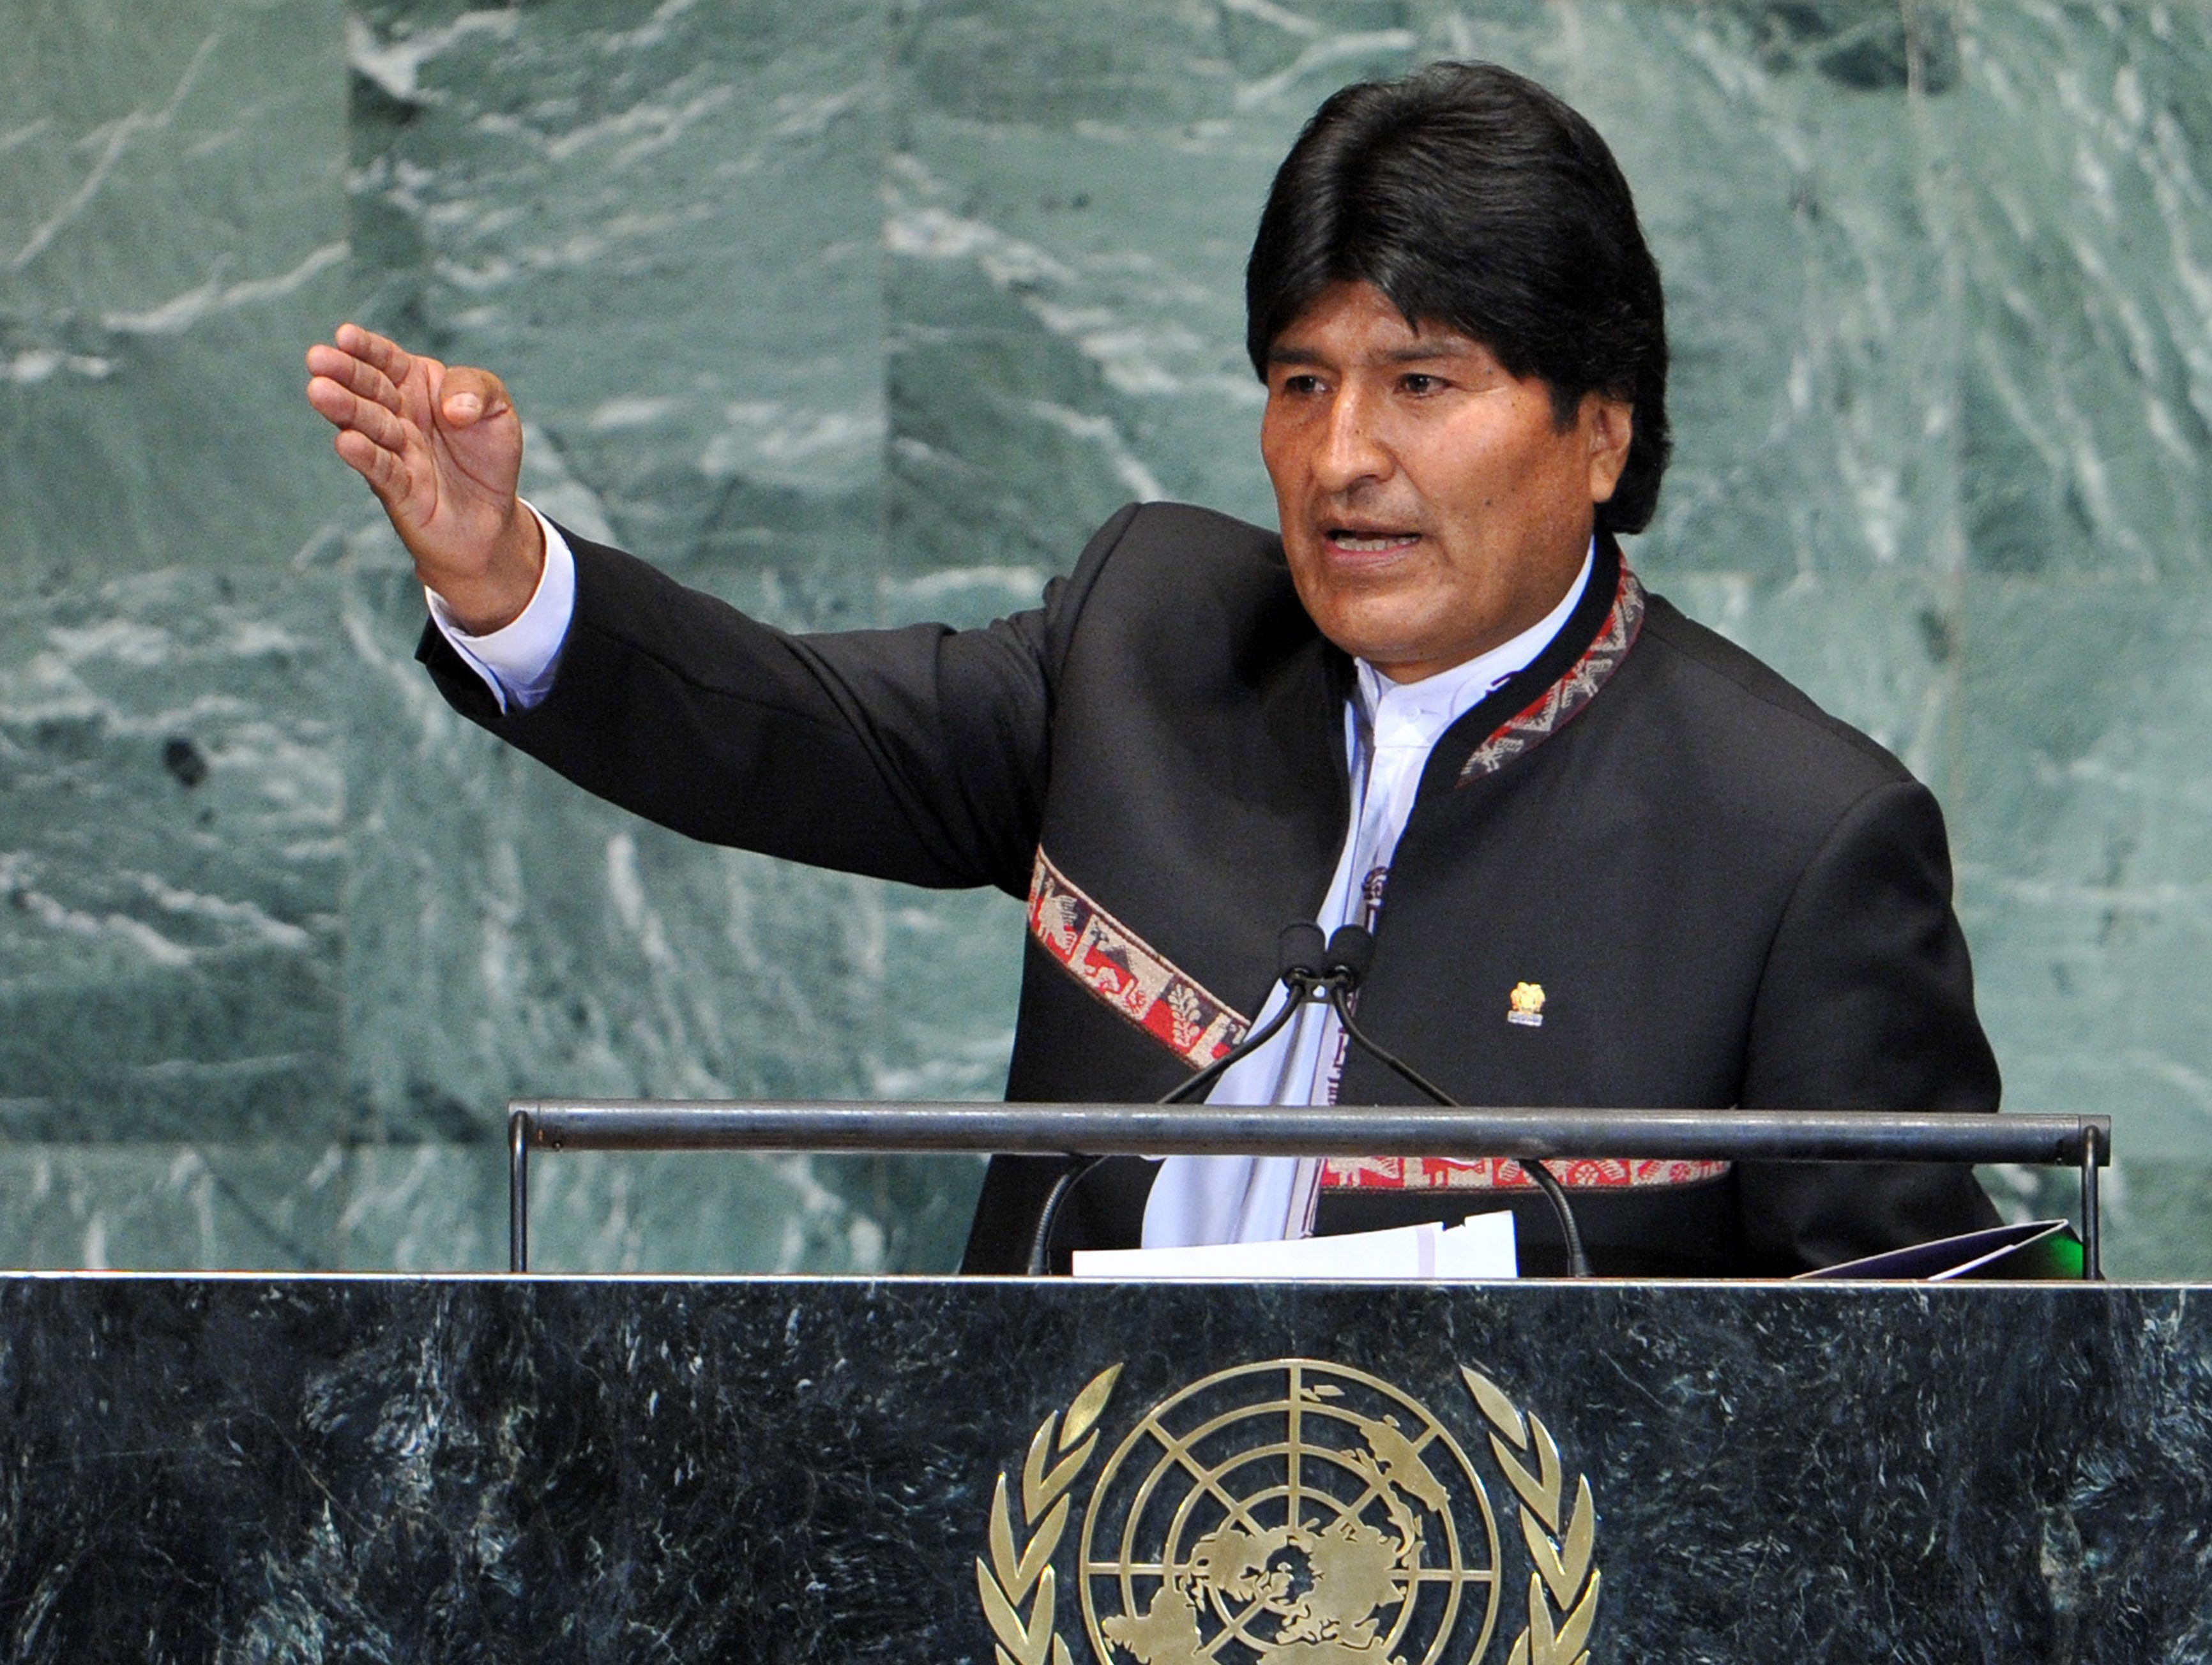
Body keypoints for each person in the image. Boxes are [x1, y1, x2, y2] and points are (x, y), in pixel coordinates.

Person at [305, 61, 2001, 1276]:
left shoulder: (1796, 839)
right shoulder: (1156, 634)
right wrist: (510, 577)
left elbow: (1926, 1403)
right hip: (1056, 1613)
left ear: (1603, 434)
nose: (1342, 456)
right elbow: (794, 734)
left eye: (1423, 382)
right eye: (1298, 381)